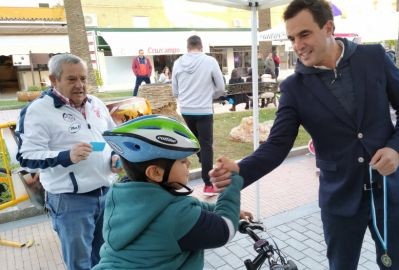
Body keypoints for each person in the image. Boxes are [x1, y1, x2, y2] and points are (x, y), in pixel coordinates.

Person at [209, 1, 399, 269]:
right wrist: (239, 170)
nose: (297, 45)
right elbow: (277, 145)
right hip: (340, 200)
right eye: (292, 38)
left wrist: (398, 148)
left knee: (397, 265)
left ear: (329, 27)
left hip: (392, 193)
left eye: (304, 34)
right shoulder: (294, 88)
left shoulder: (374, 57)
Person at [94, 115, 250, 270]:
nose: (189, 163)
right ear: (155, 173)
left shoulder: (124, 197)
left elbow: (189, 206)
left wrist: (222, 209)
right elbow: (225, 230)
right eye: (182, 161)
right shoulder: (176, 216)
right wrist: (231, 180)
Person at [15, 53, 121, 270]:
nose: (80, 85)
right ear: (53, 80)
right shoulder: (37, 111)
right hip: (70, 201)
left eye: (83, 78)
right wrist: (66, 156)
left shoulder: (96, 104)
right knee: (80, 263)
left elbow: (111, 137)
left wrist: (114, 156)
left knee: (105, 256)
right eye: (72, 79)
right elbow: (26, 157)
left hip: (106, 193)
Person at [172, 35, 226, 196]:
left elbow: (175, 90)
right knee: (206, 146)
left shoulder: (177, 63)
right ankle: (208, 184)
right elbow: (221, 88)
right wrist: (211, 95)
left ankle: (205, 163)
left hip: (186, 109)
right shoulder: (210, 61)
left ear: (188, 47)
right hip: (203, 109)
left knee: (196, 144)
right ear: (201, 47)